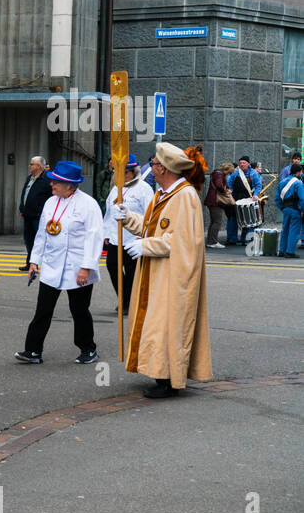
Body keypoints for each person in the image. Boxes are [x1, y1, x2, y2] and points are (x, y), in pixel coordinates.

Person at [110, 142, 213, 398]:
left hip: (173, 276)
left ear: (165, 169)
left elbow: (184, 242)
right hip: (157, 273)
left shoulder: (185, 196)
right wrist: (128, 217)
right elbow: (150, 228)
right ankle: (160, 373)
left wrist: (147, 246)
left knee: (167, 325)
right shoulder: (162, 195)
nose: (151, 168)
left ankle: (168, 379)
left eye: (155, 164)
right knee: (156, 324)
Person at [15, 161, 104, 364]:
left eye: (56, 182)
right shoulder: (50, 202)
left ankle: (88, 349)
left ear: (70, 185)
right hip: (53, 265)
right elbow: (42, 235)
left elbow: (95, 238)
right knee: (43, 309)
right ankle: (33, 351)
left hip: (77, 267)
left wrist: (86, 267)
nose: (52, 184)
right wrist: (34, 262)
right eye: (53, 181)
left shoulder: (88, 205)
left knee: (79, 310)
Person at [102, 154, 153, 315]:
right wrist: (106, 233)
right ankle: (123, 297)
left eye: (125, 172)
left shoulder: (144, 189)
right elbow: (109, 212)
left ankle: (129, 302)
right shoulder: (116, 189)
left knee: (131, 272)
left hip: (133, 238)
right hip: (116, 238)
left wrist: (144, 235)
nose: (121, 176)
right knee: (112, 267)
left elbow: (149, 214)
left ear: (133, 172)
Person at [18, 156, 52, 271]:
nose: (29, 166)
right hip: (28, 214)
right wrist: (21, 209)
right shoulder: (30, 178)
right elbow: (25, 194)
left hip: (39, 216)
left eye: (32, 164)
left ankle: (47, 263)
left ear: (39, 166)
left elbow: (51, 197)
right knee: (29, 241)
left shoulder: (47, 179)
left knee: (41, 240)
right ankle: (30, 263)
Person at [225, 155, 262, 246]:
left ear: (248, 163)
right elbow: (229, 183)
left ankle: (246, 239)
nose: (242, 164)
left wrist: (256, 195)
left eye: (244, 163)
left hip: (248, 197)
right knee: (233, 218)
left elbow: (258, 185)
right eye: (240, 163)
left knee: (248, 219)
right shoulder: (236, 173)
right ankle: (231, 239)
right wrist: (230, 190)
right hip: (236, 197)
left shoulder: (254, 173)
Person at [204, 161, 234, 248]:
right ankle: (213, 242)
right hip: (215, 201)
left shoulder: (216, 173)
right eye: (229, 172)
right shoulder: (219, 175)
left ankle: (211, 241)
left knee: (213, 222)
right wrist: (226, 190)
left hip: (212, 200)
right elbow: (219, 185)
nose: (229, 174)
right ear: (226, 170)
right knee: (217, 221)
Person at [278, 162, 303, 258]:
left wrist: (282, 208)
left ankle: (282, 250)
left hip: (285, 209)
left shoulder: (282, 182)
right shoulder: (298, 183)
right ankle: (290, 252)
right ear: (298, 172)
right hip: (295, 210)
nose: (301, 173)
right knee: (294, 231)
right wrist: (302, 210)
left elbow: (277, 198)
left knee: (285, 230)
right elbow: (302, 199)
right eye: (301, 172)